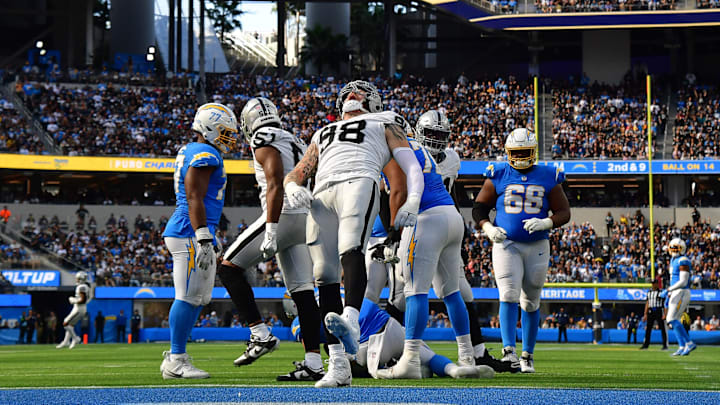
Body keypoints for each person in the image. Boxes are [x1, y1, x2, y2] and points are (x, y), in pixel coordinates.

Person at [283, 80, 424, 388]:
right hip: (322, 192)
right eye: (347, 93)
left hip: (360, 179)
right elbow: (298, 171)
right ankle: (337, 364)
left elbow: (412, 166)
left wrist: (412, 200)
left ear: (374, 102)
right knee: (323, 274)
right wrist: (292, 187)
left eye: (360, 93)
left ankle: (351, 321)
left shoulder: (385, 121)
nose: (351, 95)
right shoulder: (322, 132)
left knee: (351, 248)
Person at [370, 117, 487, 379]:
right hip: (451, 217)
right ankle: (467, 355)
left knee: (415, 292)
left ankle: (410, 358)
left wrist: (392, 234)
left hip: (424, 219)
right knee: (452, 292)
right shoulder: (423, 151)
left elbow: (397, 192)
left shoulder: (395, 149)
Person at [219, 98, 323, 381]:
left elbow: (276, 180)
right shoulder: (296, 139)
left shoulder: (263, 137)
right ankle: (314, 362)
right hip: (306, 218)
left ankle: (259, 333)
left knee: (227, 267)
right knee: (302, 292)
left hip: (284, 213)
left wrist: (272, 228)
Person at [414, 109, 513, 372]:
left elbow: (451, 196)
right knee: (406, 296)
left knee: (460, 293)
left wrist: (459, 232)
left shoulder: (451, 159)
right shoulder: (410, 153)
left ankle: (474, 353)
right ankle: (388, 349)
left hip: (441, 227)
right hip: (415, 226)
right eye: (431, 134)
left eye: (439, 135)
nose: (435, 140)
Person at [472, 128, 571, 374]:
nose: (520, 157)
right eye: (516, 152)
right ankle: (509, 353)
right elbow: (479, 208)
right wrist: (487, 228)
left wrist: (547, 222)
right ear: (507, 152)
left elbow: (564, 212)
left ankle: (527, 354)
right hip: (507, 244)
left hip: (537, 244)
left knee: (531, 301)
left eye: (525, 152)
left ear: (534, 152)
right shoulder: (498, 173)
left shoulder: (549, 175)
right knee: (507, 295)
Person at [160, 102, 239, 379]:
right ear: (209, 127)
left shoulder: (195, 150)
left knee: (198, 298)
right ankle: (176, 358)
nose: (229, 138)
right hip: (189, 231)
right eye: (225, 132)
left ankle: (177, 356)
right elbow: (194, 196)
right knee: (188, 296)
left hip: (190, 229)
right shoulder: (205, 153)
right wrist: (203, 234)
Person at [662, 238, 697, 356]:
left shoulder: (683, 260)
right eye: (672, 248)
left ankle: (689, 343)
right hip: (675, 292)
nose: (674, 250)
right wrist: (670, 292)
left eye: (676, 248)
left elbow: (683, 281)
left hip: (681, 291)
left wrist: (668, 290)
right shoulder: (673, 260)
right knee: (673, 321)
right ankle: (682, 346)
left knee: (671, 319)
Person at [56, 271, 91, 349]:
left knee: (65, 323)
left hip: (79, 308)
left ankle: (75, 338)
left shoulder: (82, 287)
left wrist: (73, 300)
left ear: (81, 279)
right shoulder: (84, 286)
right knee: (71, 325)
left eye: (78, 279)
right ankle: (66, 342)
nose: (76, 280)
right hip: (78, 307)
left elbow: (83, 300)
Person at [640, 279, 667, 350]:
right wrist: (645, 314)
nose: (653, 285)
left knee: (662, 328)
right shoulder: (649, 292)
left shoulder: (661, 292)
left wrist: (665, 314)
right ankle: (646, 344)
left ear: (657, 284)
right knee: (648, 328)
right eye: (652, 283)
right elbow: (647, 303)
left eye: (654, 283)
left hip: (658, 310)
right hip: (651, 310)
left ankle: (665, 344)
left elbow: (664, 304)